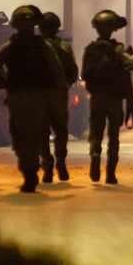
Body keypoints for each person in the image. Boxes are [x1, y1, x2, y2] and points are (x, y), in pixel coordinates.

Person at [0, 5, 66, 193]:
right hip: (38, 98)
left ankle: (29, 172)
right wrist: (58, 95)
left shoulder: (9, 46)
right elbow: (58, 72)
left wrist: (5, 84)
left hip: (17, 98)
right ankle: (33, 169)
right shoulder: (43, 46)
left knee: (21, 136)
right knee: (36, 134)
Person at [80, 10, 133, 185]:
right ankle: (110, 174)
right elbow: (132, 65)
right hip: (114, 99)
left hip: (96, 98)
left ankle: (95, 153)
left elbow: (84, 74)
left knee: (96, 132)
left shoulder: (90, 49)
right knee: (114, 136)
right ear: (112, 29)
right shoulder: (117, 48)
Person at [39, 11, 78, 182]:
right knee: (61, 131)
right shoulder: (65, 47)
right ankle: (61, 163)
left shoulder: (36, 46)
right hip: (59, 95)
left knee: (42, 132)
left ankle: (47, 166)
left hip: (40, 96)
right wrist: (66, 86)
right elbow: (74, 71)